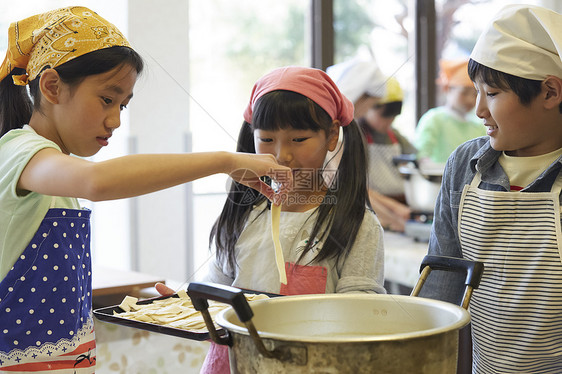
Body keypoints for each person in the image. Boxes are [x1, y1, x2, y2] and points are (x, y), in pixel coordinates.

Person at [0, 7, 292, 373]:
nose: (116, 120)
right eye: (107, 99)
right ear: (52, 86)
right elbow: (98, 181)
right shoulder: (18, 152)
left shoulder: (53, 169)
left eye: (123, 104)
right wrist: (225, 161)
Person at [186, 66, 385, 373]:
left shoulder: (355, 224)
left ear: (332, 135)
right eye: (266, 139)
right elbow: (215, 292)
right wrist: (183, 301)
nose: (281, 156)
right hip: (235, 363)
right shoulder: (243, 214)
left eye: (299, 139)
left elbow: (358, 313)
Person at [421, 4, 562, 373]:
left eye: (494, 93)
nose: (479, 110)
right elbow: (442, 283)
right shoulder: (464, 166)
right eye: (476, 92)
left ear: (550, 92)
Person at [328, 58, 414, 232]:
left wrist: (395, 210)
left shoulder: (342, 128)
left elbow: (356, 188)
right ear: (360, 97)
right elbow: (345, 191)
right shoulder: (334, 132)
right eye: (371, 105)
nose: (366, 111)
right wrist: (391, 218)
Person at [415, 58, 486, 164]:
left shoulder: (479, 125)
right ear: (447, 89)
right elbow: (422, 156)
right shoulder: (434, 119)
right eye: (464, 93)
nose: (471, 100)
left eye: (476, 94)